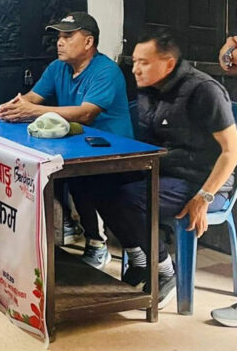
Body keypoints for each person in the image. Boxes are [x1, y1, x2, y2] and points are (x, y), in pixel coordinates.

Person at [96, 30, 237, 307]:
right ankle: (140, 260)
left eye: (144, 62)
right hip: (166, 171)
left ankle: (165, 271)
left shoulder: (203, 90)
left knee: (130, 198)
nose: (135, 69)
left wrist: (204, 196)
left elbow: (231, 153)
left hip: (205, 181)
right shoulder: (150, 90)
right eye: (135, 61)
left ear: (169, 64)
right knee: (97, 182)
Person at [0, 12, 133, 269]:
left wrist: (33, 111)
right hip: (75, 146)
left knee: (83, 180)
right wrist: (14, 106)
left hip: (113, 153)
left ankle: (96, 243)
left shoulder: (106, 71)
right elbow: (32, 98)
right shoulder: (57, 68)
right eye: (59, 37)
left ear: (88, 42)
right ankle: (65, 225)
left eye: (68, 36)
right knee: (35, 167)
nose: (60, 42)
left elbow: (86, 113)